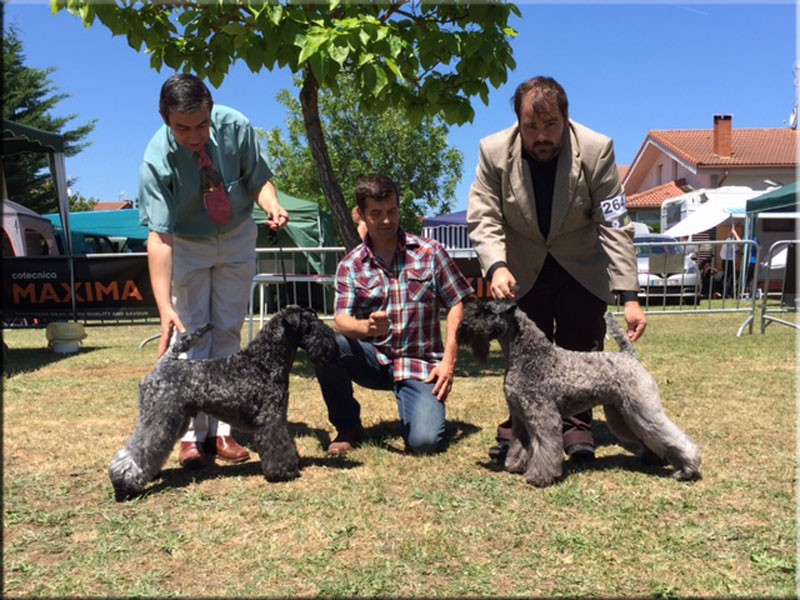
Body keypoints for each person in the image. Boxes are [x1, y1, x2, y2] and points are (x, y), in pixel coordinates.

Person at [467, 76, 647, 462]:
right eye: (530, 127)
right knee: (524, 357)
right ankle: (520, 431)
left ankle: (577, 428)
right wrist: (496, 266)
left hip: (581, 266)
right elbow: (484, 216)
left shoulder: (597, 150)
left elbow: (615, 224)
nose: (541, 136)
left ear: (566, 118)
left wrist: (629, 296)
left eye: (550, 125)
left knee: (583, 349)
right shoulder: (493, 151)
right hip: (520, 269)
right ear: (518, 122)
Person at [138, 73, 290, 469]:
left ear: (211, 109)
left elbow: (259, 180)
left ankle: (223, 434)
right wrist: (162, 307)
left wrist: (271, 204)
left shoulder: (237, 127)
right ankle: (190, 438)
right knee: (191, 334)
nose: (194, 136)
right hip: (186, 242)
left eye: (202, 124)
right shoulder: (156, 159)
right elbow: (159, 238)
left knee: (227, 329)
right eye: (182, 128)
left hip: (237, 234)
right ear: (163, 117)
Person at [315, 174, 474, 454]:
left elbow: (457, 301)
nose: (386, 220)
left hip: (420, 364)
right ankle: (347, 426)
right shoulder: (351, 265)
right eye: (376, 213)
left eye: (392, 211)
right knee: (326, 344)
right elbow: (341, 320)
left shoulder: (430, 252)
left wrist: (449, 360)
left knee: (424, 444)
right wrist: (366, 328)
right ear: (362, 215)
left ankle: (417, 407)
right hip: (373, 359)